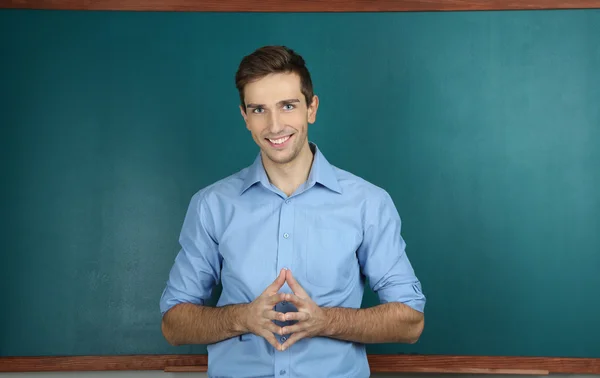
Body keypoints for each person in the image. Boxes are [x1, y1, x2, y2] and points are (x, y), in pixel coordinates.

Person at [159, 45, 426, 378]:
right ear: (245, 117)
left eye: (288, 106)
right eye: (259, 109)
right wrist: (242, 318)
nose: (274, 125)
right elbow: (174, 324)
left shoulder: (368, 203)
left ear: (311, 108)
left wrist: (325, 321)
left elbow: (411, 321)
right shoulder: (211, 205)